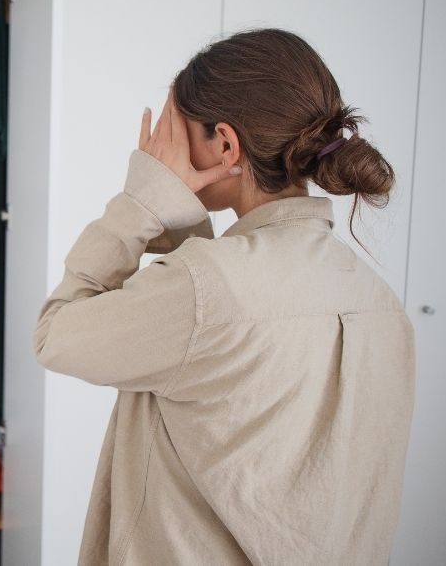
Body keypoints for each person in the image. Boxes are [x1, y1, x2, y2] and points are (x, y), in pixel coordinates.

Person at [34, 28, 415, 565]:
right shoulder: (379, 301)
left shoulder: (204, 289)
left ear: (226, 145)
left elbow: (56, 335)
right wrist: (185, 223)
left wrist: (140, 203)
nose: (162, 150)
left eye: (174, 133)